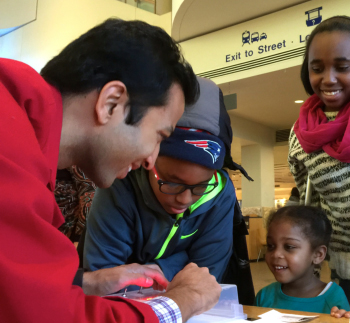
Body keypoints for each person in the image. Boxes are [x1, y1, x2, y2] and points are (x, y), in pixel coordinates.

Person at [0, 18, 222, 323]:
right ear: (111, 103)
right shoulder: (8, 142)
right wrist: (183, 302)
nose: (151, 159)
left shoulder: (18, 124)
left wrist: (88, 282)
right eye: (159, 135)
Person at [83, 77, 235, 285]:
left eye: (200, 186)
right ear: (149, 158)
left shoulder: (220, 192)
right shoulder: (120, 183)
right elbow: (105, 278)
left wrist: (157, 269)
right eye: (172, 182)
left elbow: (205, 279)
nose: (184, 199)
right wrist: (181, 262)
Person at [288, 15, 350, 301]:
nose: (329, 79)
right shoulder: (301, 133)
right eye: (317, 68)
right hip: (343, 264)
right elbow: (307, 202)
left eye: (342, 67)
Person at [255, 206, 350, 318]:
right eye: (271, 246)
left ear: (318, 254)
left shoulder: (334, 297)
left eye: (289, 247)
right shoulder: (264, 296)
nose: (276, 254)